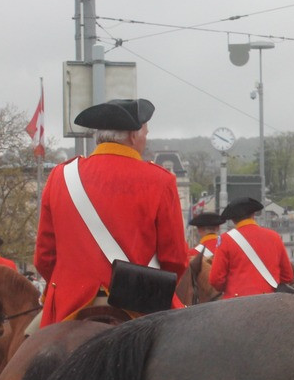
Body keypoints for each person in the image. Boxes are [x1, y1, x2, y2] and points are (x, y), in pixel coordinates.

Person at [34, 98, 188, 326]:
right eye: (146, 132)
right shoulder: (161, 181)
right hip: (139, 308)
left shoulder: (60, 177)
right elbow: (174, 260)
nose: (146, 138)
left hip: (70, 305)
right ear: (134, 135)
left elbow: (44, 258)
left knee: (28, 349)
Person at [209, 197, 293, 298]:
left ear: (232, 219)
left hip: (235, 303)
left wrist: (230, 287)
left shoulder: (225, 240)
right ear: (253, 214)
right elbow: (287, 276)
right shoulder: (274, 237)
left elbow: (216, 279)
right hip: (270, 300)